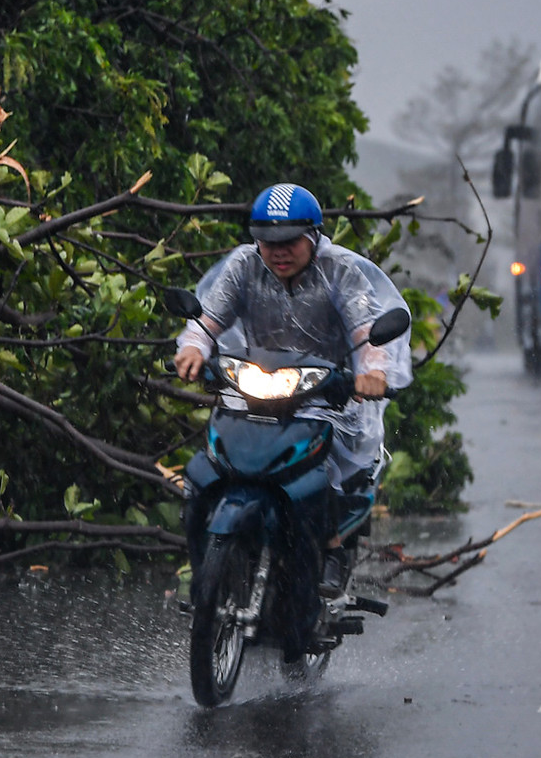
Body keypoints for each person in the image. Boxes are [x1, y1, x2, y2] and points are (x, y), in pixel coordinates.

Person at [172, 182, 413, 596]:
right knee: (208, 467)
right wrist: (193, 348)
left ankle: (332, 548)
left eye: (290, 241)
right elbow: (206, 322)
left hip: (326, 396)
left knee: (324, 468)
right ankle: (208, 565)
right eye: (268, 242)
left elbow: (367, 336)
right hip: (255, 387)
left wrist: (372, 373)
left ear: (313, 236)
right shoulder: (244, 266)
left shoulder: (340, 271)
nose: (278, 251)